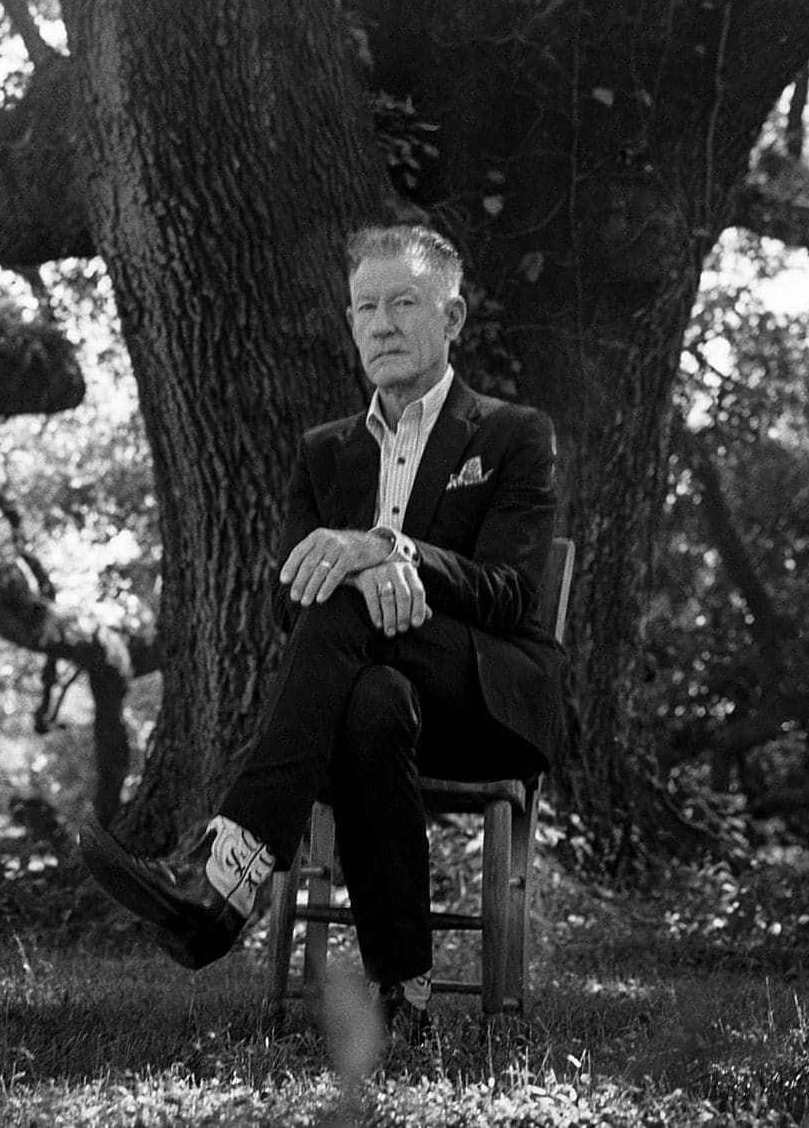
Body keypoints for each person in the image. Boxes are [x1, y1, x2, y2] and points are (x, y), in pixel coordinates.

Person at [83, 223, 563, 1040]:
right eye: (364, 306)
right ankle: (404, 996)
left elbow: (511, 592)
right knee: (372, 702)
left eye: (403, 303)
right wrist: (361, 573)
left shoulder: (513, 434)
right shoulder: (323, 453)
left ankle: (225, 871)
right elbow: (286, 603)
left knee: (343, 602)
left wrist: (387, 548)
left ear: (451, 318)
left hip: (483, 698)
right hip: (369, 699)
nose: (380, 323)